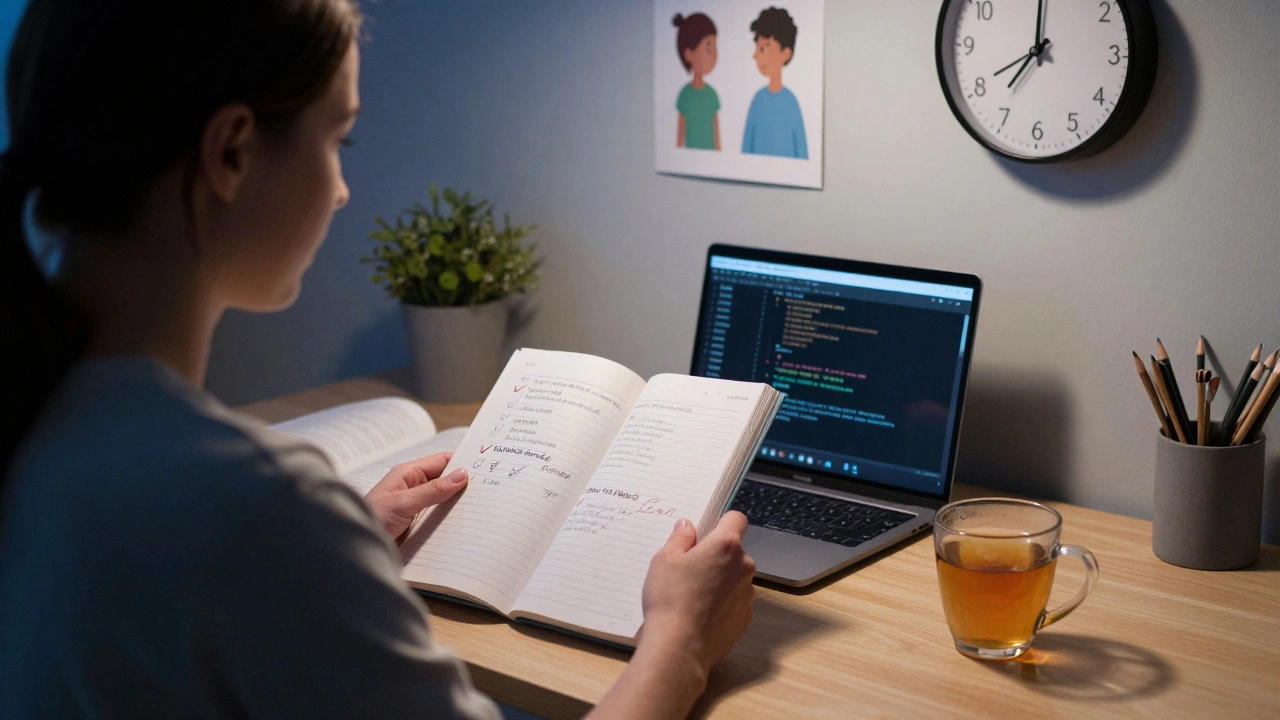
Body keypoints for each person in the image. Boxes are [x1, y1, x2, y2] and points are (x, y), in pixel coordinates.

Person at [0, 1, 757, 718]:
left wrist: (326, 563)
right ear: (230, 153)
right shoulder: (255, 511)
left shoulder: (50, 422)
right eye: (338, 141)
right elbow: (234, 544)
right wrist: (681, 643)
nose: (340, 189)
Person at [742, 7, 808, 160]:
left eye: (764, 48)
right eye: (757, 47)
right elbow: (746, 148)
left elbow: (801, 151)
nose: (755, 55)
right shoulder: (758, 100)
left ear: (785, 53)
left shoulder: (791, 102)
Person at [673, 12, 720, 151]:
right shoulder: (685, 95)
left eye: (714, 47)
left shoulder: (712, 95)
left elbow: (716, 134)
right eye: (708, 47)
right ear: (689, 54)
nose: (714, 54)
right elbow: (680, 136)